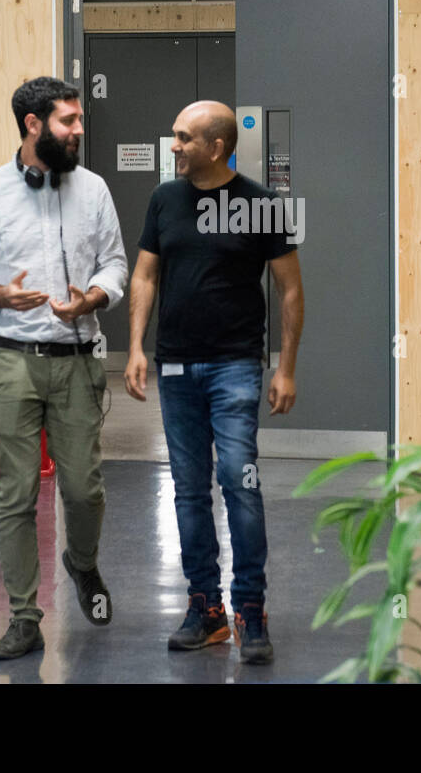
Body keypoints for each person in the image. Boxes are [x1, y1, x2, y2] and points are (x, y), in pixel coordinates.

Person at [0, 76, 128, 661]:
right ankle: (24, 617)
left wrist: (93, 299)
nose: (79, 130)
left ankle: (81, 561)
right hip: (11, 362)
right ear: (32, 125)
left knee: (83, 488)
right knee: (16, 493)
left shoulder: (95, 190)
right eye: (67, 121)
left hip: (77, 360)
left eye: (78, 120)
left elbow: (116, 265)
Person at [125, 100, 304, 665]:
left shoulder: (264, 206)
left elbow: (291, 291)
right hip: (175, 367)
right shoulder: (164, 200)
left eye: (183, 138)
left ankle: (251, 611)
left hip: (235, 367)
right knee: (187, 491)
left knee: (240, 483)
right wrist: (134, 347)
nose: (173, 145)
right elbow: (146, 274)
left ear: (216, 147)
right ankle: (206, 611)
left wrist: (287, 366)